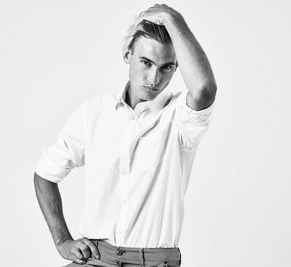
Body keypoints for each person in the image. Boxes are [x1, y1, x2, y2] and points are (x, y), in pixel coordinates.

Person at [34, 4, 217, 267]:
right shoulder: (94, 113)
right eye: (146, 62)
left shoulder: (179, 118)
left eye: (166, 67)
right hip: (96, 257)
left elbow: (203, 89)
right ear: (128, 54)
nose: (154, 78)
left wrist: (173, 19)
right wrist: (63, 240)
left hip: (153, 262)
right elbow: (44, 174)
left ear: (177, 68)